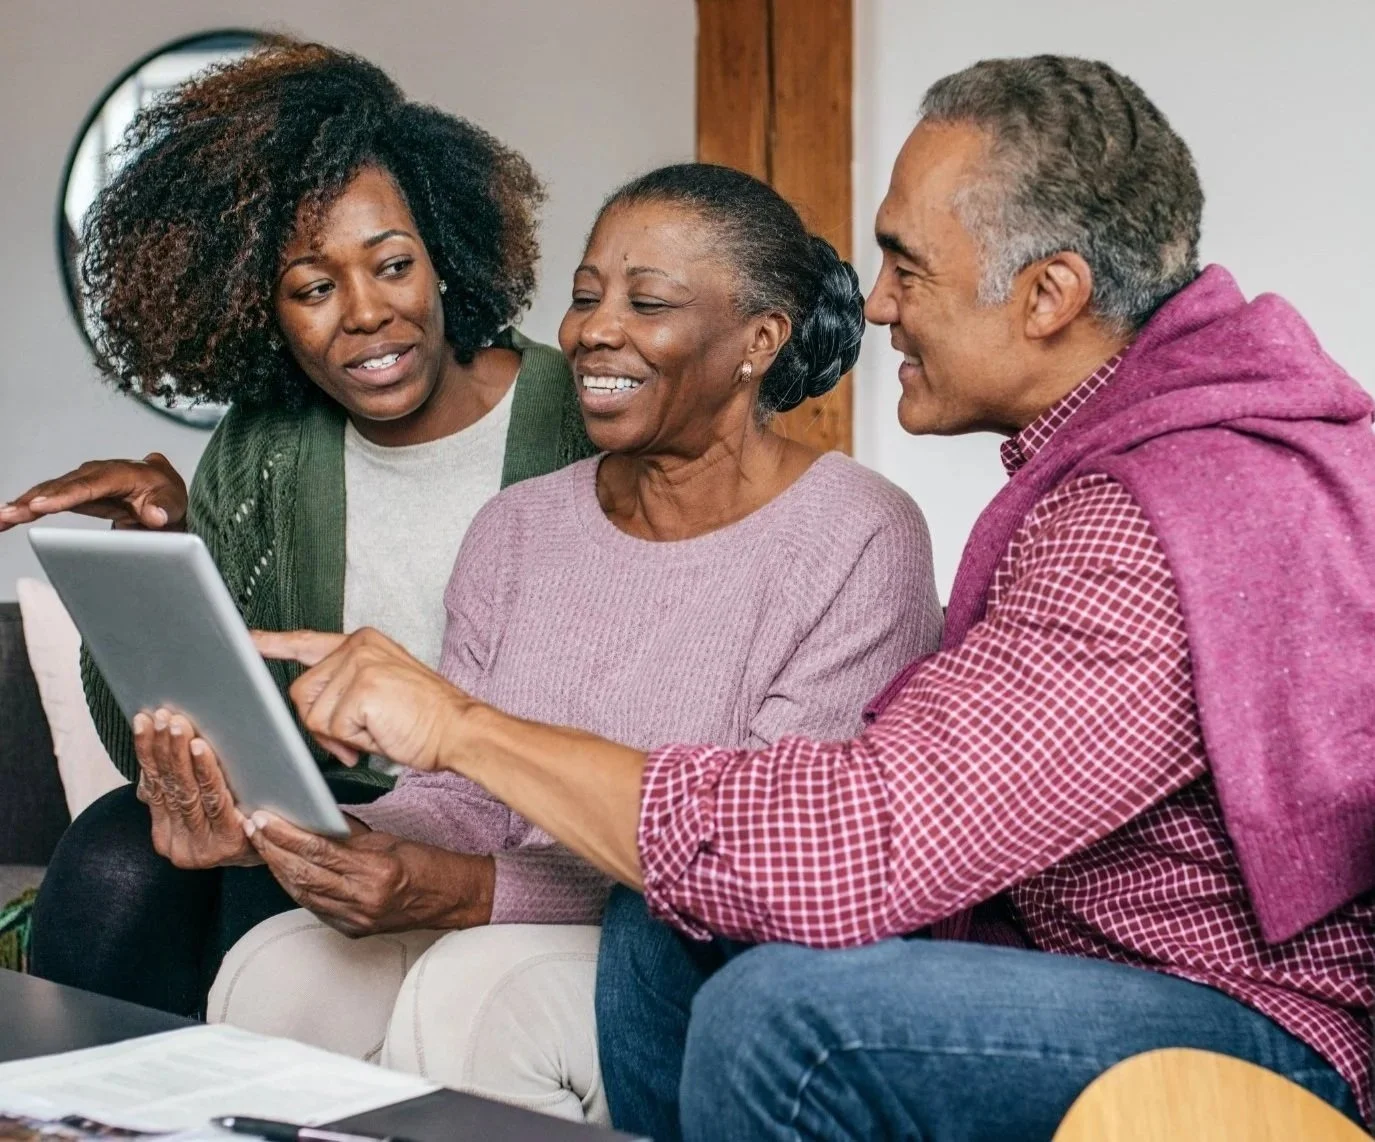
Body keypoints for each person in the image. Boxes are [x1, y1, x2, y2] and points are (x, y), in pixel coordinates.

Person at [257, 55, 1375, 1141]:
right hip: (1082, 962)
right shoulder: (1147, 453)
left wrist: (460, 727)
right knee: (669, 919)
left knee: (785, 1020)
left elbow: (863, 843)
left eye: (908, 264)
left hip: (1253, 1021)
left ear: (1048, 295)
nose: (878, 303)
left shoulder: (1148, 515)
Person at [205, 163, 942, 1124]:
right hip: (508, 907)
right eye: (587, 296)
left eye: (647, 302)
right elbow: (459, 798)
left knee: (477, 997)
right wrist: (343, 843)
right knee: (279, 972)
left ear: (758, 340)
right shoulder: (518, 528)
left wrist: (473, 892)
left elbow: (761, 866)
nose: (594, 330)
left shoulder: (858, 534)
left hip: (684, 951)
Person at [0, 39, 594, 1016]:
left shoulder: (579, 416)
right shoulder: (262, 449)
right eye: (313, 288)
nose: (364, 313)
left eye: (393, 264)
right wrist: (164, 548)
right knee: (114, 848)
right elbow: (142, 736)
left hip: (512, 815)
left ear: (444, 254)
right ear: (262, 312)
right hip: (319, 814)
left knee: (262, 885)